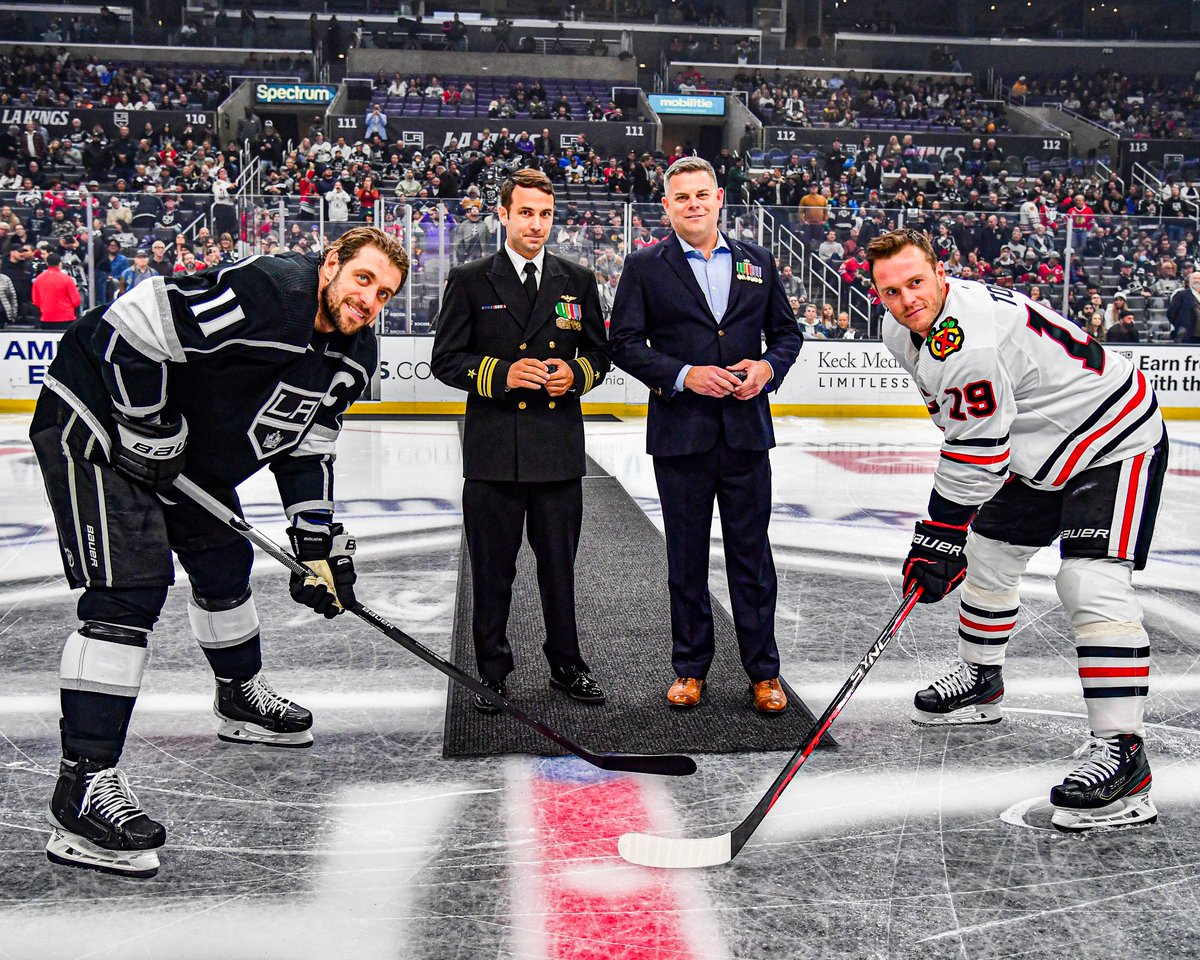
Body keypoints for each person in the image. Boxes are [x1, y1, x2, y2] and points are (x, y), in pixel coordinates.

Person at [30, 227, 409, 878]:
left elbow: (306, 443)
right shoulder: (272, 293)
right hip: (98, 416)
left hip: (186, 455)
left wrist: (316, 544)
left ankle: (239, 699)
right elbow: (133, 323)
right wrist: (149, 425)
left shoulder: (350, 354)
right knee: (130, 590)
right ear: (330, 266)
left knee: (225, 563)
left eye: (385, 292)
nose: (370, 298)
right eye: (362, 279)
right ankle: (82, 788)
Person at [867, 229, 1166, 833]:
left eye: (916, 283)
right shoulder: (900, 332)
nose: (906, 300)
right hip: (1037, 450)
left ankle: (1125, 759)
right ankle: (982, 680)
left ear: (941, 272)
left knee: (1091, 584)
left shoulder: (967, 337)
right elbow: (970, 429)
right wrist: (951, 535)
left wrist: (937, 533)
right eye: (891, 291)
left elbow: (975, 446)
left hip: (1113, 438)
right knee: (989, 554)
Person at [607, 157, 802, 713]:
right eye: (681, 197)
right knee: (687, 558)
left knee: (752, 558)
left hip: (745, 434)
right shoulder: (645, 266)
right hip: (681, 436)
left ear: (720, 198)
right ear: (666, 207)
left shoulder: (758, 262)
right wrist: (684, 375)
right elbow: (624, 341)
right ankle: (689, 669)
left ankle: (764, 673)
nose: (693, 203)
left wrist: (768, 369)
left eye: (702, 194)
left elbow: (787, 334)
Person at [430, 169, 610, 712]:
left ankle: (566, 664)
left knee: (560, 568)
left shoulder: (577, 279)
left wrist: (574, 374)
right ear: (503, 214)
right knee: (493, 570)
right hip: (493, 453)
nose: (536, 224)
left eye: (546, 214)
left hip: (557, 450)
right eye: (526, 212)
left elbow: (600, 355)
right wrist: (500, 374)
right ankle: (491, 670)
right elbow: (445, 360)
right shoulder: (470, 279)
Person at [31, 252, 81, 326]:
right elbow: (76, 300)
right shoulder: (67, 279)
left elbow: (36, 301)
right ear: (60, 263)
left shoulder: (38, 279)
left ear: (47, 263)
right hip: (66, 318)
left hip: (46, 318)